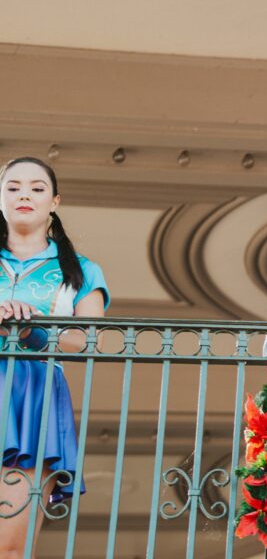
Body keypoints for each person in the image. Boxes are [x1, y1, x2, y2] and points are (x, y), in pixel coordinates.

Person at [0, 157, 109, 558]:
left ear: (54, 201)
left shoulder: (81, 271)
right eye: (12, 187)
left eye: (36, 188)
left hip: (33, 395)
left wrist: (34, 329)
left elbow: (87, 341)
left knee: (11, 546)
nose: (24, 194)